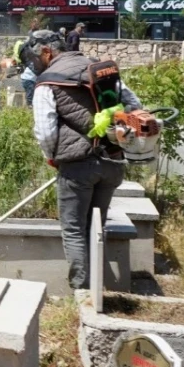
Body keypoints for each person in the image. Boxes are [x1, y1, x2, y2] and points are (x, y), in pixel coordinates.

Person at [23, 30, 143, 290]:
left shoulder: (47, 82)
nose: (35, 64)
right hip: (112, 161)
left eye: (36, 57)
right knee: (97, 226)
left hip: (77, 166)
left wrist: (51, 157)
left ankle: (82, 290)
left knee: (74, 229)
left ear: (47, 52)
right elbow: (134, 104)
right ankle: (97, 285)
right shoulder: (99, 69)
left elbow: (45, 131)